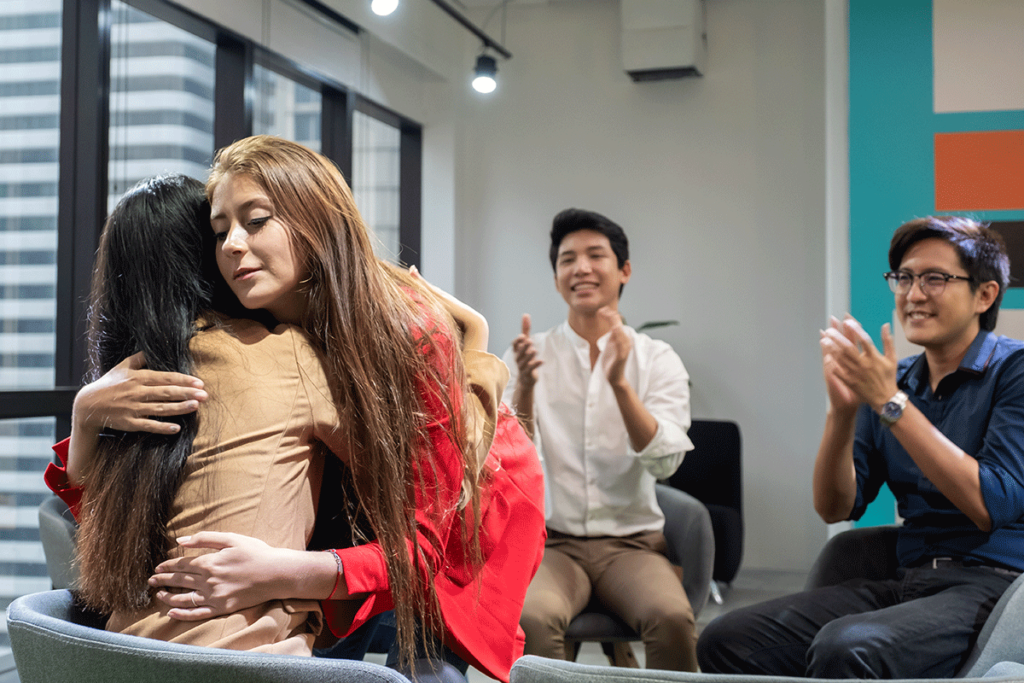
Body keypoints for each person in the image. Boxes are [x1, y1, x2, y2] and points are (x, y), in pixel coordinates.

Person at [49, 136, 544, 682]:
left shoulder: (396, 332)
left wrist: (472, 348)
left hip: (472, 503)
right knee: (322, 622)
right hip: (356, 498)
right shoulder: (258, 328)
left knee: (428, 655)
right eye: (218, 233)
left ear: (315, 220)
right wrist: (86, 411)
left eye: (256, 220)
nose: (233, 244)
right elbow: (139, 505)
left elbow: (425, 550)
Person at [697, 216, 1024, 679]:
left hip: (995, 591)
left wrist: (889, 403)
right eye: (905, 277)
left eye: (935, 278)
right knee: (728, 639)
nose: (913, 294)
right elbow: (836, 507)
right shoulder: (896, 381)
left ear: (985, 295)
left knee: (846, 647)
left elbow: (992, 502)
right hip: (908, 580)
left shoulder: (1013, 371)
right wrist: (843, 413)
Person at [45, 173, 341, 654]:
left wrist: (84, 414)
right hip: (247, 663)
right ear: (208, 256)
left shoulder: (124, 387)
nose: (235, 245)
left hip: (122, 656)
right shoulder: (290, 356)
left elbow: (87, 512)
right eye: (220, 233)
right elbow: (414, 487)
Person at [502, 208, 697, 671]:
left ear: (623, 270)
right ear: (556, 279)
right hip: (553, 545)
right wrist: (526, 386)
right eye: (568, 259)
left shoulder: (657, 358)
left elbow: (665, 463)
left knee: (671, 618)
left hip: (632, 546)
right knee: (531, 616)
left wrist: (620, 385)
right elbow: (508, 459)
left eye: (596, 255)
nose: (582, 268)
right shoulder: (529, 354)